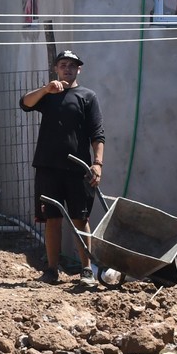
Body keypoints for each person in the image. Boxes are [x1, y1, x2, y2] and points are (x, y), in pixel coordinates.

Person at [20, 49, 105, 284]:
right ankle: (51, 270)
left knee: (80, 218)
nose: (67, 69)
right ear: (56, 68)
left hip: (78, 169)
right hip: (48, 167)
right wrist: (46, 89)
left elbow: (98, 134)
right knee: (52, 219)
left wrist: (97, 164)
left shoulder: (88, 97)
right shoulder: (47, 95)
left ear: (79, 69)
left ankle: (86, 270)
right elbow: (25, 104)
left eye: (72, 65)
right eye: (63, 64)